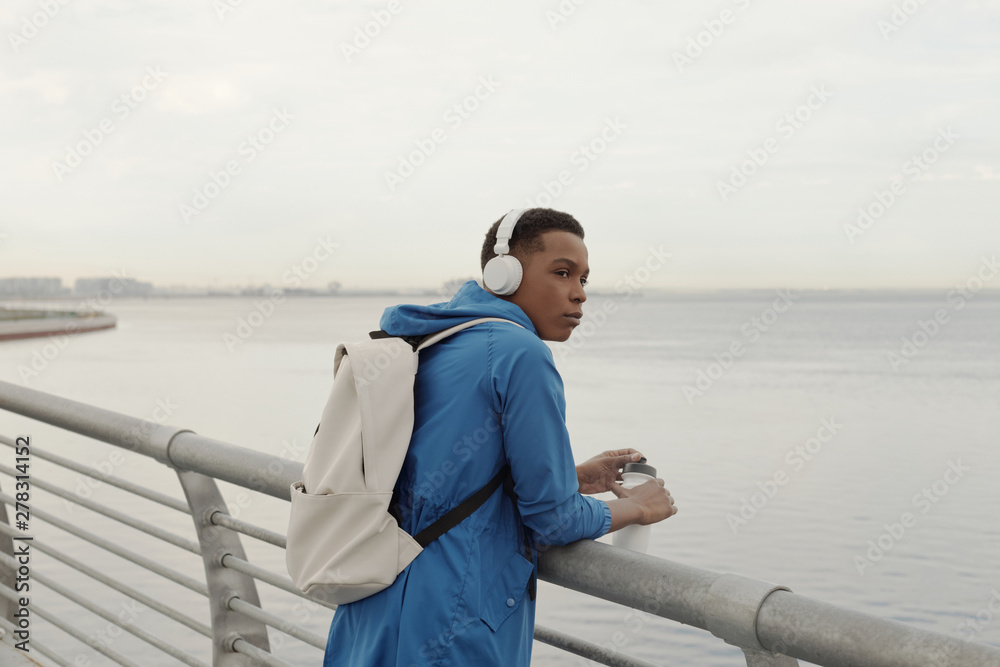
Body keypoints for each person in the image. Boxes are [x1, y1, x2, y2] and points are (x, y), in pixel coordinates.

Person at [323, 208, 677, 667]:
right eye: (562, 273)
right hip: (455, 617)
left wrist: (570, 475)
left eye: (585, 279)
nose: (580, 294)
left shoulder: (430, 339)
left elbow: (437, 474)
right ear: (505, 274)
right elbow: (553, 520)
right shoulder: (521, 354)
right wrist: (637, 507)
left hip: (374, 598)